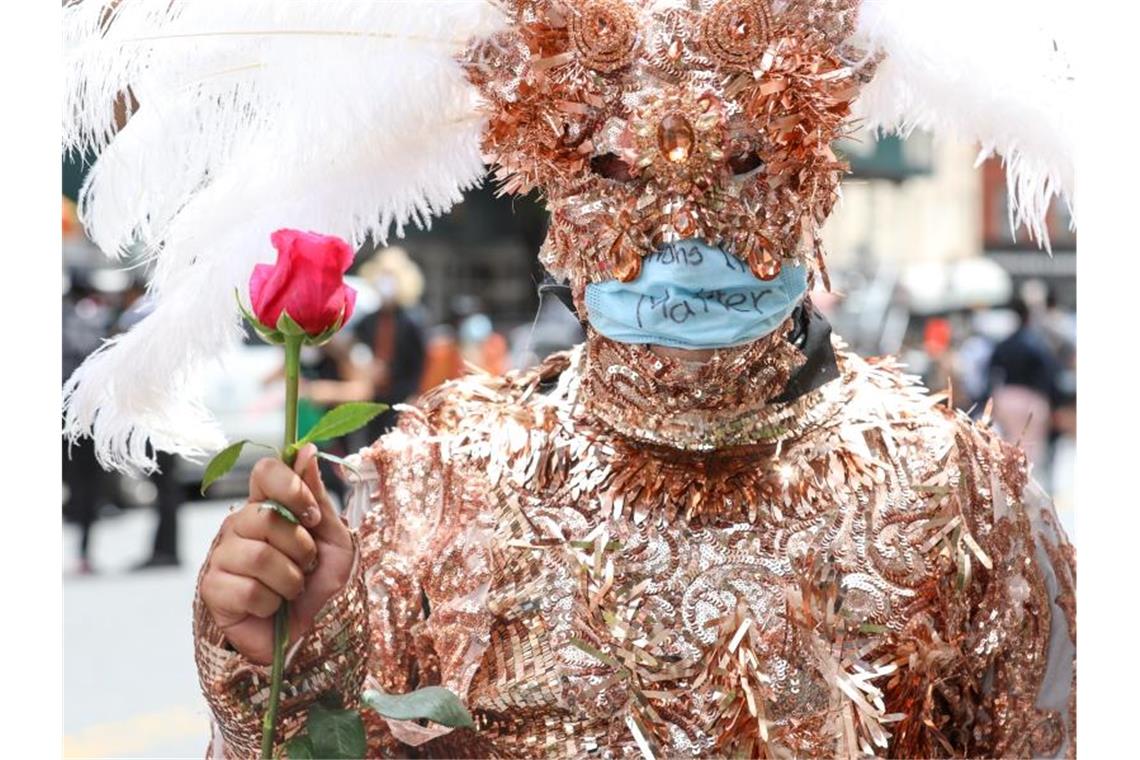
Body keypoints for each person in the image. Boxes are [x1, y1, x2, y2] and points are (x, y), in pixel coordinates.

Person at [63, 2, 1076, 757]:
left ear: (809, 168)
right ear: (551, 185)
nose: (683, 229)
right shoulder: (427, 493)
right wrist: (281, 670)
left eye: (741, 166)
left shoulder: (965, 498)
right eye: (618, 175)